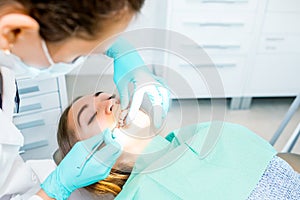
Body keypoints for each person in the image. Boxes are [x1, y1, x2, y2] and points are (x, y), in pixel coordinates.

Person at [0, 1, 170, 200]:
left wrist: (119, 49)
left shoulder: (198, 137)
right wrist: (55, 189)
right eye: (76, 55)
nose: (109, 101)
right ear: (14, 31)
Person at [55, 92, 300, 199]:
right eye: (90, 116)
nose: (109, 101)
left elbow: (280, 167)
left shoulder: (202, 134)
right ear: (87, 161)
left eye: (105, 95)